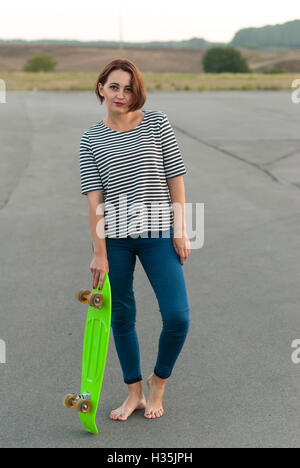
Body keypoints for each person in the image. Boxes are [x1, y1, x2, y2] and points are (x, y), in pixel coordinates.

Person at [79, 58, 191, 421]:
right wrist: (99, 253)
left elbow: (175, 177)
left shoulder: (157, 122)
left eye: (128, 88)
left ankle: (158, 383)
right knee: (122, 316)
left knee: (177, 317)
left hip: (158, 234)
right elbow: (95, 200)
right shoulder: (90, 139)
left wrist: (180, 230)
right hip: (116, 240)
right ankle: (134, 393)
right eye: (114, 86)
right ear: (101, 88)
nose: (121, 94)